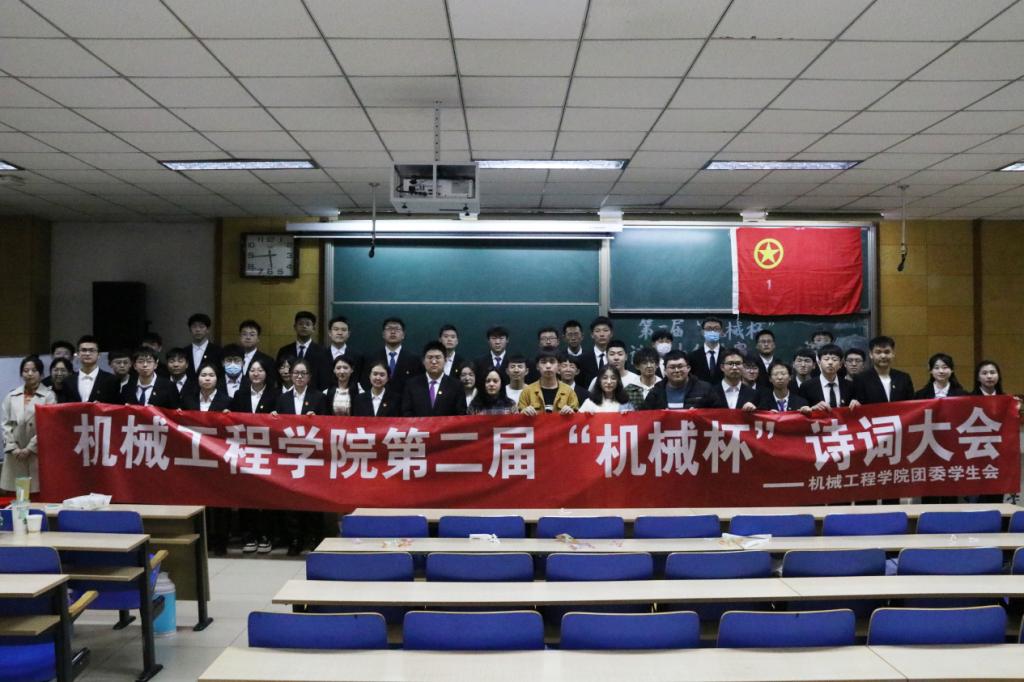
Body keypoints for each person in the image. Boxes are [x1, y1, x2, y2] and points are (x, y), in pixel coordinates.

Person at [228, 357, 280, 554]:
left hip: (267, 453)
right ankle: (248, 535)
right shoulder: (239, 394)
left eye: (260, 370)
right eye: (252, 370)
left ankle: (266, 534)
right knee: (247, 494)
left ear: (267, 373)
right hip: (245, 452)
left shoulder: (275, 394)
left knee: (267, 495)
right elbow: (231, 420)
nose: (256, 373)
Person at [1, 356, 56, 494]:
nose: (30, 374)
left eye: (34, 370)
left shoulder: (49, 396)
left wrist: (30, 448)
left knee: (36, 493)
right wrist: (12, 447)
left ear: (41, 374)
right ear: (21, 373)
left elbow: (48, 426)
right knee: (16, 496)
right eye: (26, 371)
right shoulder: (11, 396)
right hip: (15, 454)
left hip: (36, 452)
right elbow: (5, 424)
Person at [402, 341, 466, 417]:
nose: (434, 361)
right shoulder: (412, 385)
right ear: (423, 361)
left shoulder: (456, 386)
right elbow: (407, 413)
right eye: (430, 357)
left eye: (438, 357)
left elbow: (460, 414)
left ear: (445, 360)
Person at [850, 335, 915, 406]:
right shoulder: (861, 379)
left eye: (887, 352)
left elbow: (912, 406)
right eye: (878, 352)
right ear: (871, 354)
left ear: (893, 354)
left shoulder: (904, 378)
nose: (883, 356)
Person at [364, 317, 422, 395]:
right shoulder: (371, 357)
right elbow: (365, 382)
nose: (393, 332)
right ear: (383, 334)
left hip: (405, 400)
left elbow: (417, 385)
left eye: (397, 329)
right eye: (389, 329)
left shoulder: (414, 359)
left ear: (403, 335)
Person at [276, 311, 332, 391]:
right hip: (288, 394)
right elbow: (278, 376)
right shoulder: (284, 351)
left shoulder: (323, 351)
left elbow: (325, 378)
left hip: (314, 394)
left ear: (313, 328)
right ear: (295, 327)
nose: (304, 326)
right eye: (300, 324)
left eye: (308, 324)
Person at [642, 350, 712, 410]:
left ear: (688, 368)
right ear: (665, 371)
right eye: (672, 367)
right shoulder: (656, 392)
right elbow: (644, 415)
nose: (677, 370)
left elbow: (716, 413)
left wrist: (698, 414)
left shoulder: (705, 389)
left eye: (680, 366)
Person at [800, 344, 852, 410]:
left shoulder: (849, 386)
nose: (830, 362)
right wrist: (812, 409)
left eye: (834, 359)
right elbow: (801, 410)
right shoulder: (807, 386)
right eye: (826, 359)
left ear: (840, 364)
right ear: (819, 363)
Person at [74, 335, 119, 404]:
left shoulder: (111, 380)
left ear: (99, 355)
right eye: (84, 350)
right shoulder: (68, 381)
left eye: (92, 350)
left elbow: (116, 406)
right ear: (78, 354)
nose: (87, 354)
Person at [687, 316, 726, 384]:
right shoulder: (692, 356)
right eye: (708, 329)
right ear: (702, 332)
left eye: (716, 329)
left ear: (721, 332)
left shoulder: (728, 355)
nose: (712, 331)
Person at [327, 315, 363, 383]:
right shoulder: (319, 355)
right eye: (336, 329)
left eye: (343, 330)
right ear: (330, 333)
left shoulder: (358, 356)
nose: (340, 333)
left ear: (348, 334)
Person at [186, 312, 223, 380]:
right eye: (194, 326)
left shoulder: (218, 351)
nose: (198, 330)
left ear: (208, 329)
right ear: (190, 329)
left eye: (201, 326)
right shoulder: (185, 352)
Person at [561, 320, 591, 387]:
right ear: (564, 338)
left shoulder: (590, 356)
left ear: (582, 336)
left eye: (576, 334)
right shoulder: (560, 357)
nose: (573, 338)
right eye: (570, 335)